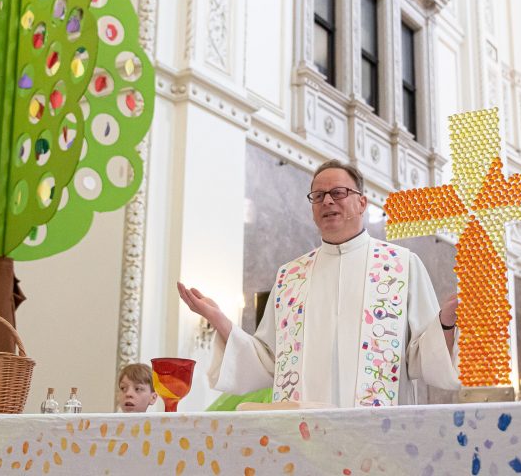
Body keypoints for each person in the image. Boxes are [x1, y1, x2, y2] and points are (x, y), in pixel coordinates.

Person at [178, 159, 461, 408]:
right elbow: (268, 360)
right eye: (318, 196)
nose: (327, 201)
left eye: (339, 193)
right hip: (304, 438)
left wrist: (445, 324)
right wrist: (219, 320)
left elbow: (421, 358)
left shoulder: (401, 266)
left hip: (376, 434)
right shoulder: (291, 276)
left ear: (362, 202)